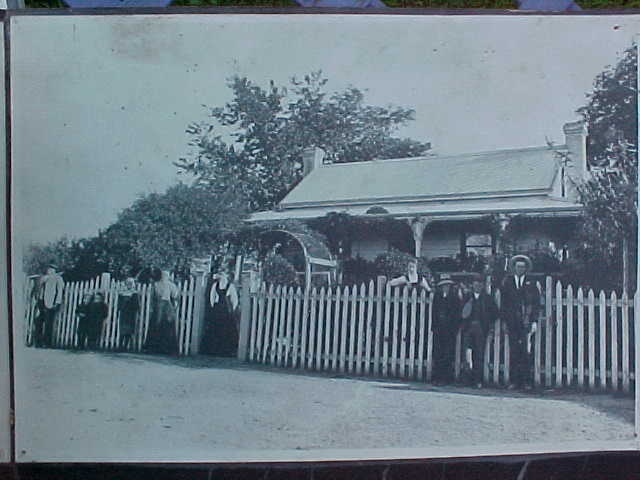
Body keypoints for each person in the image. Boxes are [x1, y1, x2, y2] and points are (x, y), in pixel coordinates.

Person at [501, 255, 541, 390]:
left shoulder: (531, 283)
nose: (520, 269)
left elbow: (536, 304)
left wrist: (534, 320)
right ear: (514, 268)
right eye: (518, 267)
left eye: (522, 267)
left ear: (526, 269)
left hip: (526, 322)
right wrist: (505, 322)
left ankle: (527, 381)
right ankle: (514, 381)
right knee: (514, 351)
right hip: (512, 322)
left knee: (527, 351)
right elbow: (504, 305)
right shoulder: (508, 282)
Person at [460, 274, 498, 388]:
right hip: (468, 328)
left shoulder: (488, 298)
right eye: (476, 284)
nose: (478, 286)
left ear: (483, 286)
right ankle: (467, 379)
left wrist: (488, 323)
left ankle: (478, 380)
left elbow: (495, 313)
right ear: (472, 285)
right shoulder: (467, 297)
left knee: (479, 354)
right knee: (467, 353)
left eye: (480, 284)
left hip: (481, 329)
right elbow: (461, 313)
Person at [200, 269, 240, 356]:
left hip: (226, 311)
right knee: (214, 328)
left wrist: (232, 309)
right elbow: (212, 297)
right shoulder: (215, 285)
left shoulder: (230, 286)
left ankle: (226, 350)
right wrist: (213, 306)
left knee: (227, 330)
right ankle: (214, 350)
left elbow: (235, 299)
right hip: (217, 310)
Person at [431, 274, 461, 384]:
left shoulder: (455, 297)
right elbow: (433, 312)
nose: (446, 287)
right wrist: (434, 327)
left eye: (447, 285)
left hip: (450, 330)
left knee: (448, 354)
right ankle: (436, 376)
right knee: (438, 353)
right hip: (439, 329)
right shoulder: (437, 296)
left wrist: (454, 328)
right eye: (444, 286)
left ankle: (446, 377)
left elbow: (457, 314)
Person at [146, 270, 179, 355]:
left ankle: (161, 348)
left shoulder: (163, 285)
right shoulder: (161, 284)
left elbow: (175, 296)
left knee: (164, 325)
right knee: (160, 325)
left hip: (164, 306)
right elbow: (175, 295)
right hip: (162, 306)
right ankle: (160, 348)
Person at [34, 264, 65, 348]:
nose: (50, 271)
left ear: (55, 270)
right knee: (38, 322)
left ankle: (47, 343)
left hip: (51, 303)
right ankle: (38, 342)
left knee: (48, 324)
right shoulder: (43, 278)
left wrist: (57, 303)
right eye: (49, 269)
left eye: (52, 269)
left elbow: (60, 292)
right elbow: (38, 289)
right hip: (41, 302)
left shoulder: (58, 279)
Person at [117, 277, 140, 352]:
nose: (129, 285)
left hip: (131, 314)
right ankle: (120, 346)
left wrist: (130, 304)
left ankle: (125, 346)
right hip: (123, 313)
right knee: (122, 330)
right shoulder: (122, 293)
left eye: (131, 283)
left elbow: (136, 306)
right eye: (127, 283)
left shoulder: (135, 293)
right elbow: (119, 305)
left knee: (129, 330)